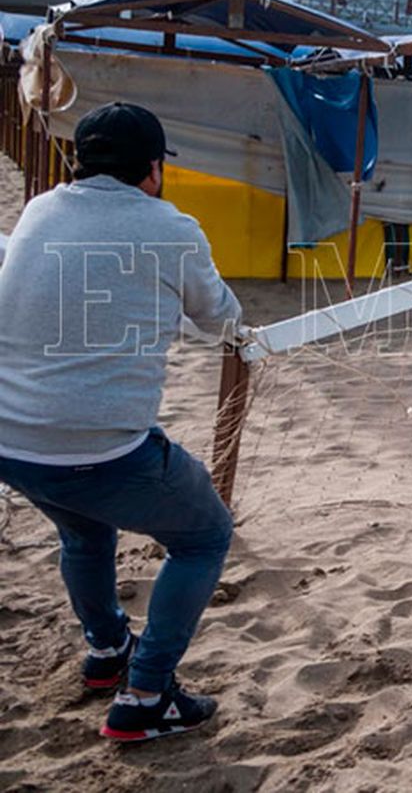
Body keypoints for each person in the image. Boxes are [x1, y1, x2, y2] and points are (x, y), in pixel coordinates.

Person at [0, 104, 240, 742]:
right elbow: (223, 318)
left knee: (84, 532)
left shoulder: (39, 209)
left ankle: (108, 651)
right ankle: (146, 693)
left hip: (12, 443)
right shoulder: (170, 226)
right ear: (154, 169)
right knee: (206, 535)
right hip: (102, 450)